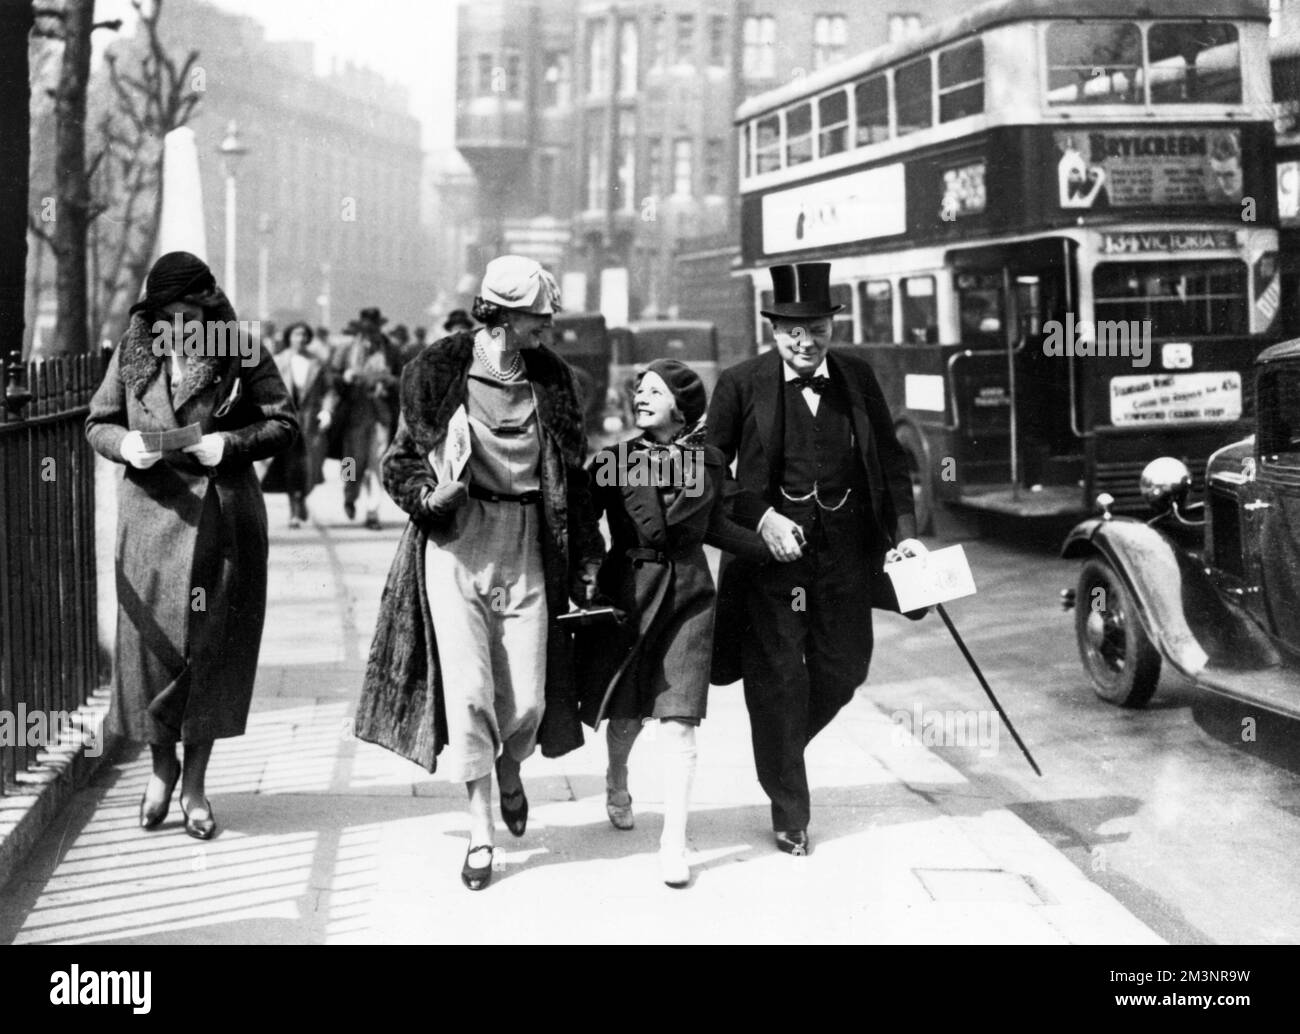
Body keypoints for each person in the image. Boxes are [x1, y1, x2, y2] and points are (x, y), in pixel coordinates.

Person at [354, 255, 604, 891]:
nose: (549, 327)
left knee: (528, 698)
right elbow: (400, 461)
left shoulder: (555, 379)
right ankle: (480, 830)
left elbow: (577, 479)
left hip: (530, 544)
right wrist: (426, 496)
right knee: (468, 693)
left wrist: (586, 558)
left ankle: (511, 766)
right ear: (504, 315)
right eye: (539, 317)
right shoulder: (437, 370)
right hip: (457, 543)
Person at [707, 261, 927, 857]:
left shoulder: (857, 377)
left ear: (833, 326)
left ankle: (778, 753)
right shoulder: (740, 383)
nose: (806, 343)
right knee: (781, 679)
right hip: (770, 565)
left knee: (845, 669)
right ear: (774, 330)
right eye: (792, 332)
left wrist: (905, 535)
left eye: (818, 330)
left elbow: (891, 463)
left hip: (846, 557)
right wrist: (761, 517)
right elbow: (707, 469)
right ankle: (791, 812)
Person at [85, 250, 297, 840]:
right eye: (166, 315)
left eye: (187, 314)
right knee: (150, 651)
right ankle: (162, 768)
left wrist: (228, 444)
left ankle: (196, 786)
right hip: (149, 522)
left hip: (221, 521)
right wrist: (125, 446)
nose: (176, 326)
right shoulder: (133, 349)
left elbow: (284, 422)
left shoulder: (240, 348)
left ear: (207, 306)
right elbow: (99, 421)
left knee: (211, 650)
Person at [578, 360, 767, 887]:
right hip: (629, 597)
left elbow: (719, 528)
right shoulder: (614, 461)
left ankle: (673, 842)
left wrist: (772, 548)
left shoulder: (709, 462)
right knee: (627, 720)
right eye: (639, 389)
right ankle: (617, 778)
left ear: (681, 407)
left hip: (689, 599)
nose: (640, 396)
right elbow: (580, 520)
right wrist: (585, 574)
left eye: (654, 391)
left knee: (679, 722)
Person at [329, 306, 402, 529]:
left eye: (373, 328)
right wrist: (345, 377)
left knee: (377, 464)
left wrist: (389, 382)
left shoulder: (390, 350)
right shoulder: (346, 349)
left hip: (381, 416)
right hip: (353, 415)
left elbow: (403, 378)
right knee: (351, 462)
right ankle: (349, 494)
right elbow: (331, 377)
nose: (370, 334)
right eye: (366, 329)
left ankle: (372, 512)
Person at [263, 321, 334, 527]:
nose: (300, 339)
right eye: (296, 335)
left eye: (304, 335)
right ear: (289, 337)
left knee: (310, 464)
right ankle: (294, 507)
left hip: (311, 422)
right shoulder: (278, 361)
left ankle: (302, 496)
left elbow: (329, 390)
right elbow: (266, 390)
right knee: (290, 466)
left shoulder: (318, 363)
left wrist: (327, 411)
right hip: (286, 420)